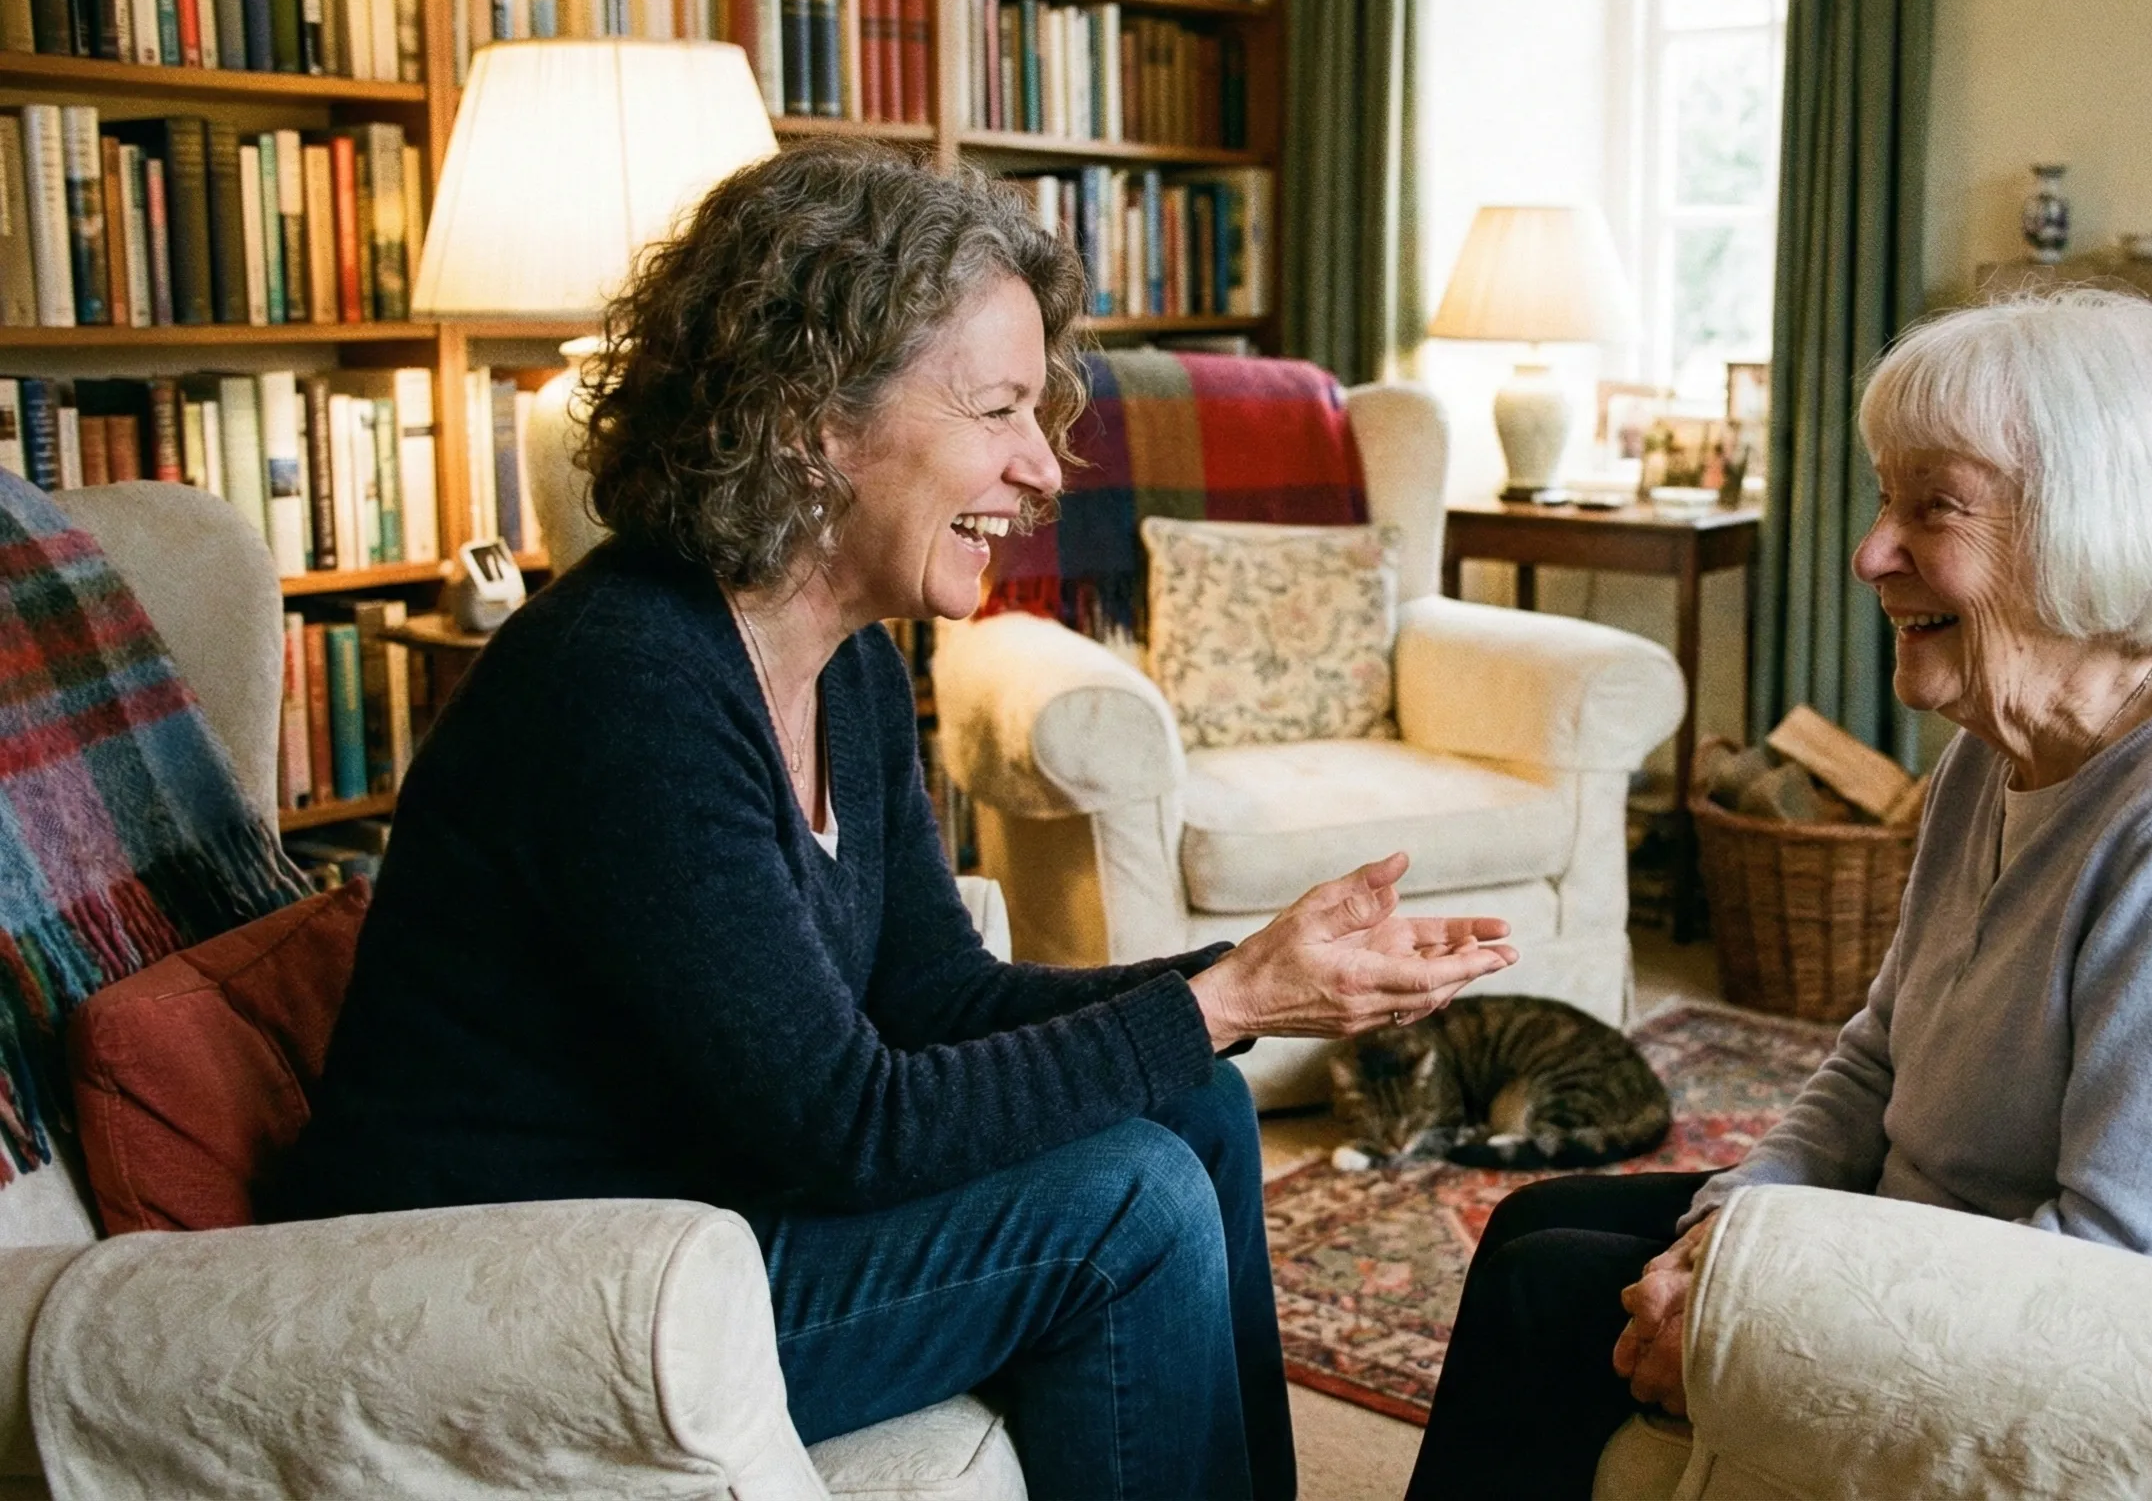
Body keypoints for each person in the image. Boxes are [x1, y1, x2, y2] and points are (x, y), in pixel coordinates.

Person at [262, 142, 1520, 1501]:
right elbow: (852, 1129)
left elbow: (932, 991)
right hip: (528, 1298)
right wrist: (1223, 996)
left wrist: (1253, 983)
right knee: (1129, 1207)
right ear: (814, 420)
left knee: (1201, 1104)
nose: (1045, 467)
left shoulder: (845, 661)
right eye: (998, 411)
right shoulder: (623, 686)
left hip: (687, 1216)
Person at [1407, 287, 2152, 1500]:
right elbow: (1878, 1056)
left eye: (1930, 506)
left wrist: (1756, 1323)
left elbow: (2123, 1274)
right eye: (1885, 498)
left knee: (1545, 1294)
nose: (1869, 552)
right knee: (1535, 1229)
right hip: (1949, 1241)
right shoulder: (1994, 752)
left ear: (2096, 526)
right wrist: (1730, 1229)